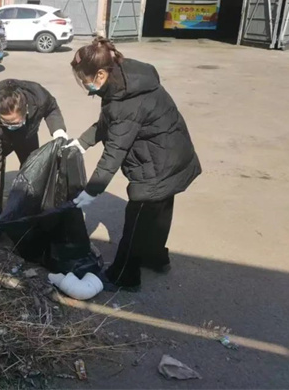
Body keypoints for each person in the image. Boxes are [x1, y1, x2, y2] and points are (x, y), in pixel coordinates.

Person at [68, 37, 201, 290]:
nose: (84, 85)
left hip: (157, 165)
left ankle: (124, 276)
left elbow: (114, 151)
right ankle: (156, 258)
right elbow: (111, 122)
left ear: (100, 74)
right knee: (160, 213)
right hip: (173, 155)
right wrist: (83, 142)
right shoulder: (123, 77)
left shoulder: (126, 102)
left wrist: (92, 190)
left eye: (84, 79)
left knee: (138, 220)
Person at [0, 79, 69, 243]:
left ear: (27, 111)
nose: (11, 126)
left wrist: (58, 131)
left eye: (15, 122)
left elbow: (52, 108)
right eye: (6, 122)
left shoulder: (38, 97)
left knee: (34, 170)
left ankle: (29, 218)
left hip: (26, 134)